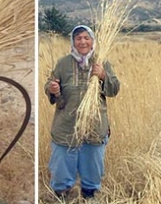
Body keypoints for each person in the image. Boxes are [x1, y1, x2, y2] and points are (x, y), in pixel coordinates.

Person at [44, 25, 120, 202]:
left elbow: (114, 89)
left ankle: (89, 195)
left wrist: (103, 76)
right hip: (66, 125)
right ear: (73, 42)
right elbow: (50, 84)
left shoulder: (102, 62)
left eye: (86, 37)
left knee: (92, 166)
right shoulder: (63, 63)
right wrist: (52, 88)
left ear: (92, 41)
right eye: (78, 38)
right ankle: (61, 195)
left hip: (94, 125)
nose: (83, 41)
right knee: (62, 167)